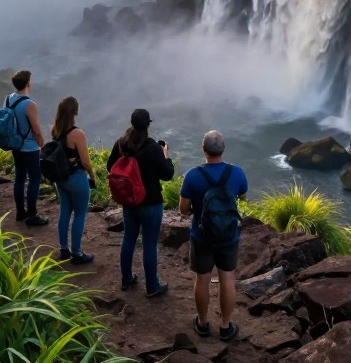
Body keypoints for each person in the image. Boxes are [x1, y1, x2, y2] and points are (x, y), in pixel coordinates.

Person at [179, 130, 249, 343]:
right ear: (223, 149)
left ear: (203, 149)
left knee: (202, 278)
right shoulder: (237, 173)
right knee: (227, 278)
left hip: (201, 236)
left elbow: (183, 209)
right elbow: (243, 197)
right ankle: (226, 326)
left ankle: (202, 323)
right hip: (229, 236)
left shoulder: (192, 175)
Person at [106, 108, 174, 297]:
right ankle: (152, 287)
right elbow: (167, 175)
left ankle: (126, 279)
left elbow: (110, 166)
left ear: (132, 123)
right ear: (148, 125)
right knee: (149, 245)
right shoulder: (153, 148)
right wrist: (166, 155)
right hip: (151, 203)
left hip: (129, 202)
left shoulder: (122, 144)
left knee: (128, 238)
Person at [51, 96, 96, 264]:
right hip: (76, 178)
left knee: (64, 212)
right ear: (75, 111)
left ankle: (64, 249)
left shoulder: (55, 129)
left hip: (61, 178)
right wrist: (92, 176)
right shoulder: (77, 133)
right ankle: (77, 253)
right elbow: (85, 161)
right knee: (79, 215)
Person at [6, 70, 48, 226]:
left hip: (16, 145)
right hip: (29, 147)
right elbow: (36, 130)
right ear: (28, 83)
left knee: (20, 177)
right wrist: (42, 146)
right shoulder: (29, 104)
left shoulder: (9, 99)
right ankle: (32, 215)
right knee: (34, 179)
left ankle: (20, 212)